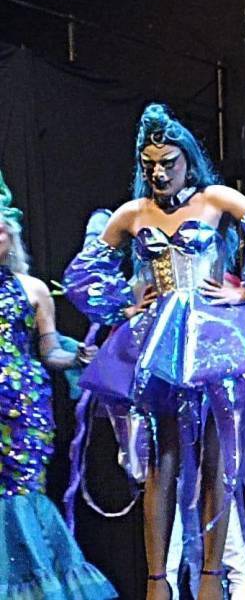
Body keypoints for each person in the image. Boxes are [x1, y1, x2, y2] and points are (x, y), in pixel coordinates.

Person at [64, 105, 245, 600]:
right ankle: (157, 581)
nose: (160, 173)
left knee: (215, 454)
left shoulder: (215, 198)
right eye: (150, 165)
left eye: (169, 162)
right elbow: (82, 274)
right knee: (161, 458)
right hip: (160, 338)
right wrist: (124, 304)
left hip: (213, 336)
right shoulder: (133, 213)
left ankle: (211, 577)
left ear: (188, 158)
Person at [0, 169, 117, 600]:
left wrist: (81, 358)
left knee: (23, 493)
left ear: (11, 236)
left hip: (22, 407)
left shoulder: (33, 289)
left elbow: (49, 351)